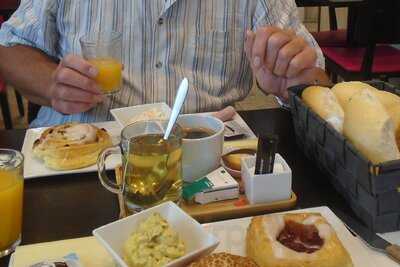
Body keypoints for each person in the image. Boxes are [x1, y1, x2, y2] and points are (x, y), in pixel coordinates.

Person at [0, 0, 328, 127]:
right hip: (80, 151)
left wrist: (294, 85)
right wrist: (51, 84)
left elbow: (316, 82)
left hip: (206, 162)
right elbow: (9, 46)